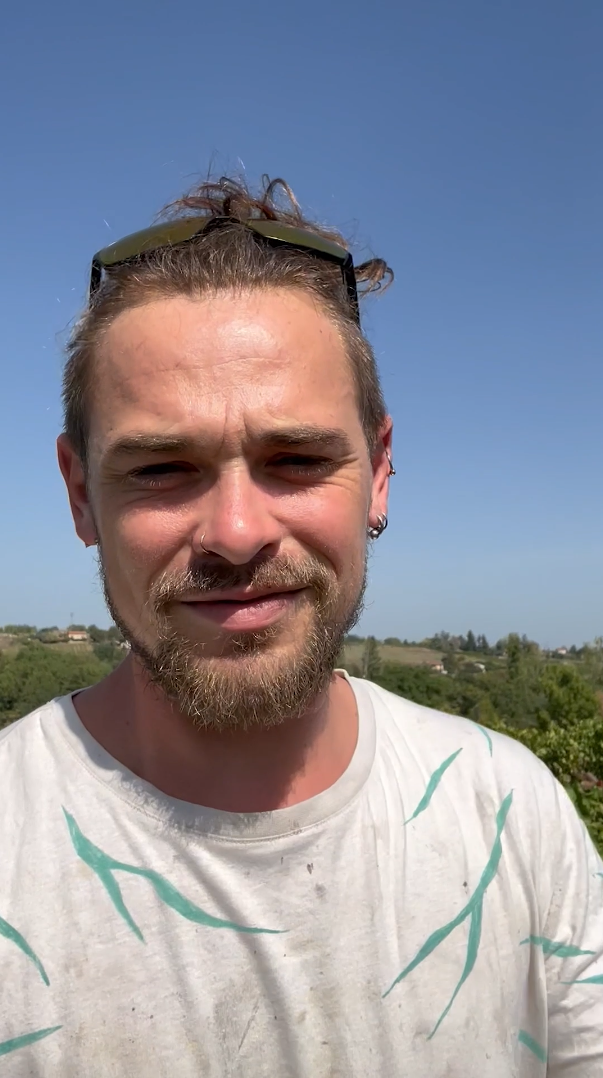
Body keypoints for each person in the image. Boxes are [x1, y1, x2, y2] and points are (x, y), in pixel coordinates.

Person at [0, 175, 601, 1078]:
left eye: (296, 458)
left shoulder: (511, 816)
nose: (237, 534)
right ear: (81, 493)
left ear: (380, 473)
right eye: (163, 467)